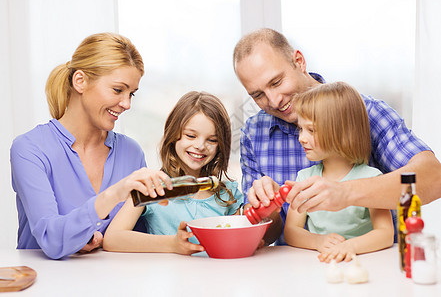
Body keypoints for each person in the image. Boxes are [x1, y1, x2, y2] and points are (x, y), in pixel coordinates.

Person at [233, 28, 441, 245]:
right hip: (296, 270)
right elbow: (267, 235)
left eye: (276, 82)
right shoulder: (253, 133)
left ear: (299, 61)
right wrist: (268, 211)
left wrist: (345, 192)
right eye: (258, 95)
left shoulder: (364, 113)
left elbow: (434, 178)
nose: (274, 101)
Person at [10, 32, 158, 259]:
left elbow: (133, 236)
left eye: (132, 94)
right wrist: (114, 194)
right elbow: (52, 238)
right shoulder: (30, 149)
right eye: (118, 90)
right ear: (80, 81)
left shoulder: (131, 153)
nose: (127, 104)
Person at [103, 91, 244, 255]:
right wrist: (172, 245)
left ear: (221, 145)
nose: (200, 145)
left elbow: (236, 246)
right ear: (173, 135)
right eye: (191, 136)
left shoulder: (227, 192)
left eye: (212, 140)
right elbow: (113, 239)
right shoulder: (152, 188)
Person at [284, 82, 394, 262]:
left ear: (342, 132)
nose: (301, 138)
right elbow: (291, 231)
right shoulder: (305, 178)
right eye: (301, 129)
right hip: (318, 265)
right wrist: (318, 241)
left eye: (311, 130)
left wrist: (349, 246)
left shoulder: (371, 179)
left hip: (362, 263)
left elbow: (385, 233)